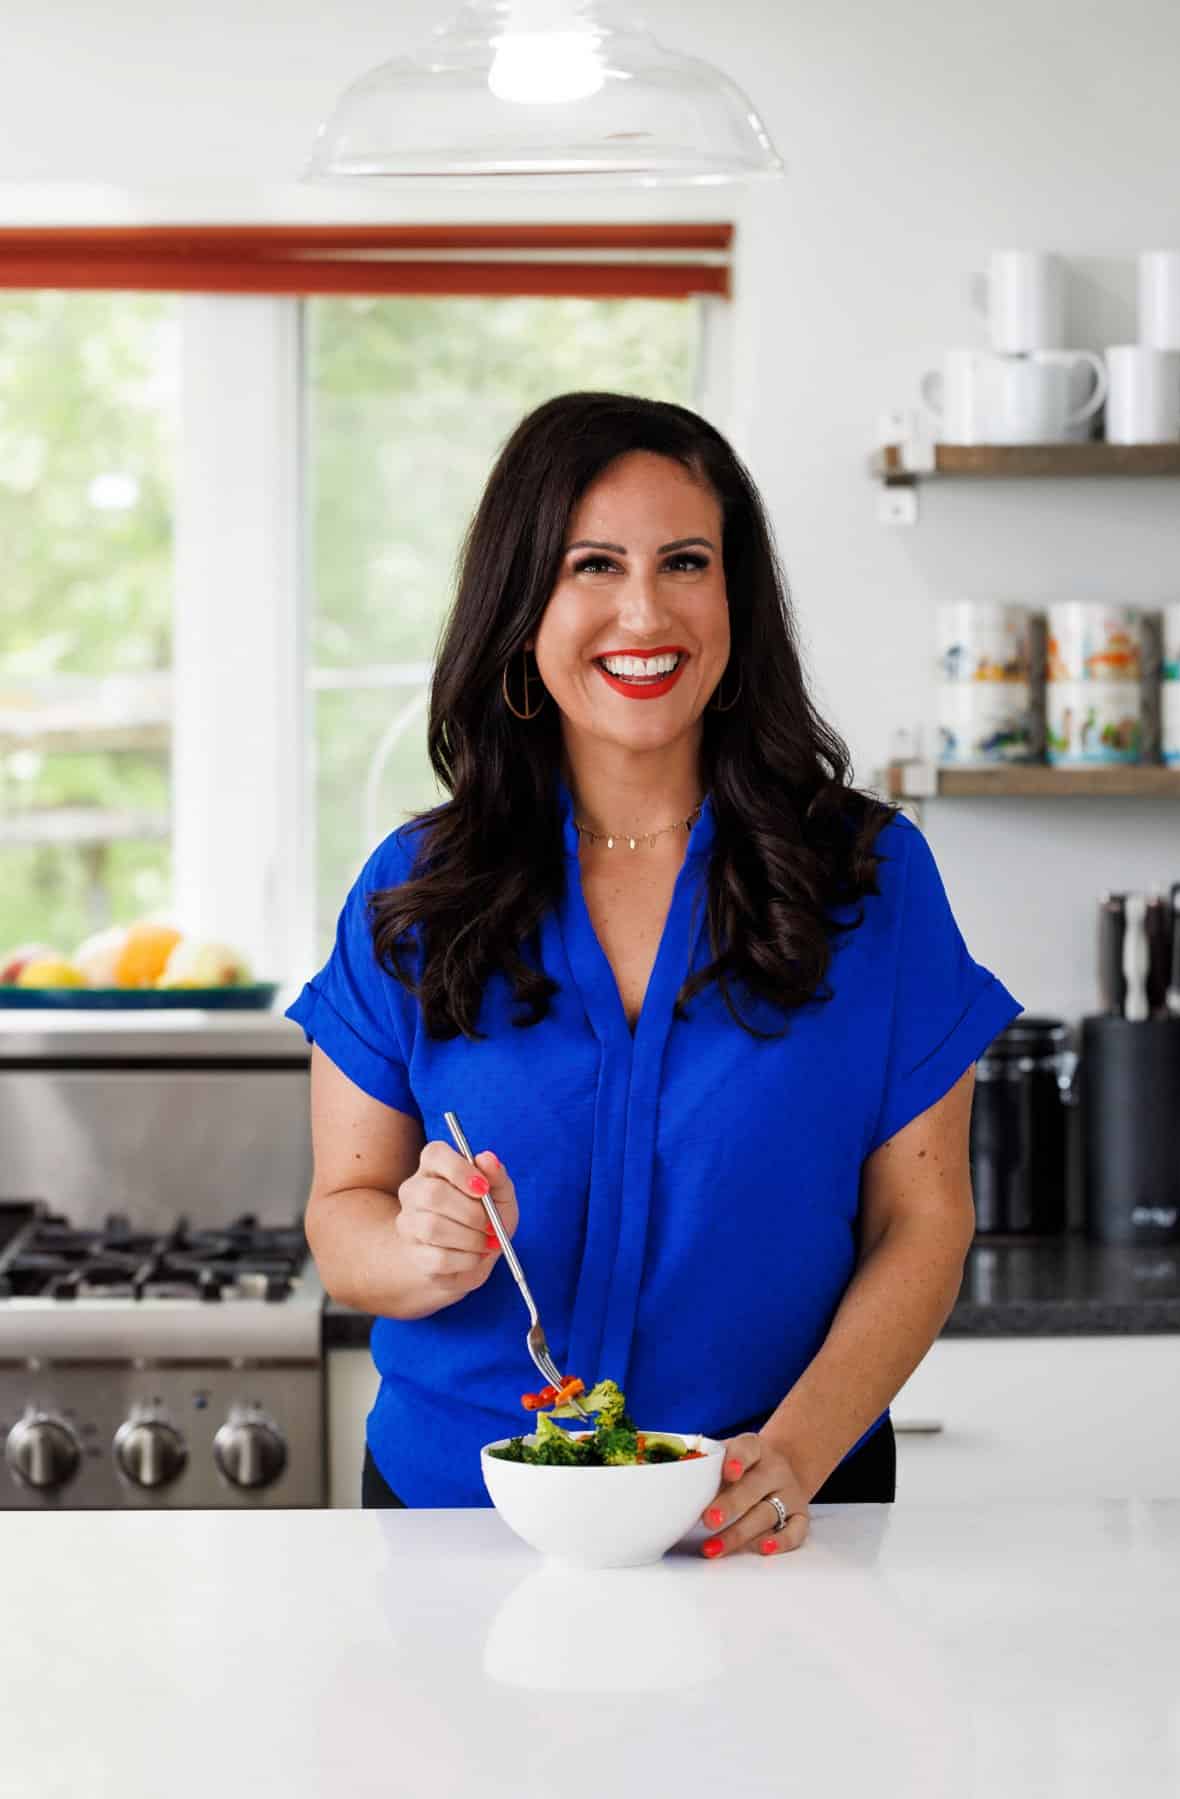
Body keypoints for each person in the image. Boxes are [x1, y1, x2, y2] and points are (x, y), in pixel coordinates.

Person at [286, 391, 1021, 1559]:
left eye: (685, 560)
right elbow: (345, 1213)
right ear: (523, 600)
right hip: (465, 1528)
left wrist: (799, 1447)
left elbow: (925, 1216)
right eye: (593, 563)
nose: (644, 609)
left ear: (735, 601)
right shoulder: (413, 887)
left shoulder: (870, 878)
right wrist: (417, 1247)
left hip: (773, 1512)